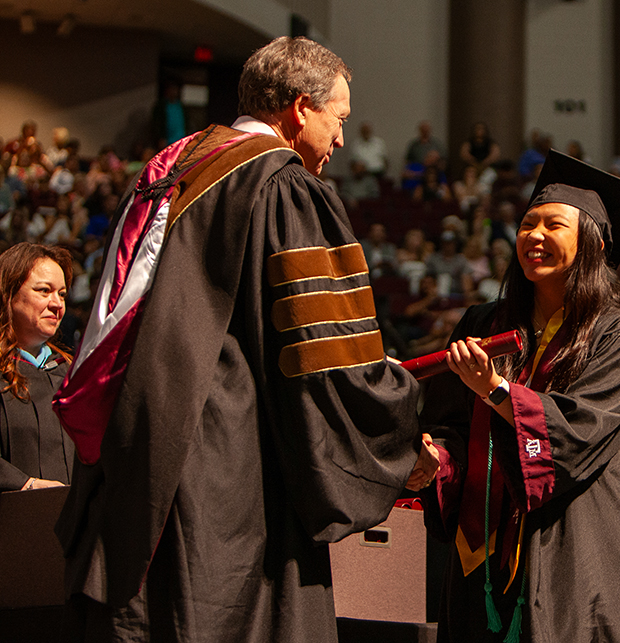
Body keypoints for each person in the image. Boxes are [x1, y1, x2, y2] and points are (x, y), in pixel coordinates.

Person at [52, 37, 427, 642]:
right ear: (301, 107)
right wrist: (401, 429)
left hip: (139, 444)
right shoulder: (281, 183)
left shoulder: (174, 164)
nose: (339, 140)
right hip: (224, 463)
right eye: (339, 119)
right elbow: (324, 355)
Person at [412, 150, 620, 642]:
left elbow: (574, 433)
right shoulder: (483, 325)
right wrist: (434, 459)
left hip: (578, 542)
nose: (535, 236)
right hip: (482, 551)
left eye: (553, 225)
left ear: (590, 244)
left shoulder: (619, 336)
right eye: (528, 224)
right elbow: (452, 427)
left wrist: (497, 391)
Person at [0, 243, 74, 492]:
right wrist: (25, 485)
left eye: (62, 294)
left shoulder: (72, 374)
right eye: (44, 291)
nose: (57, 304)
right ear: (8, 295)